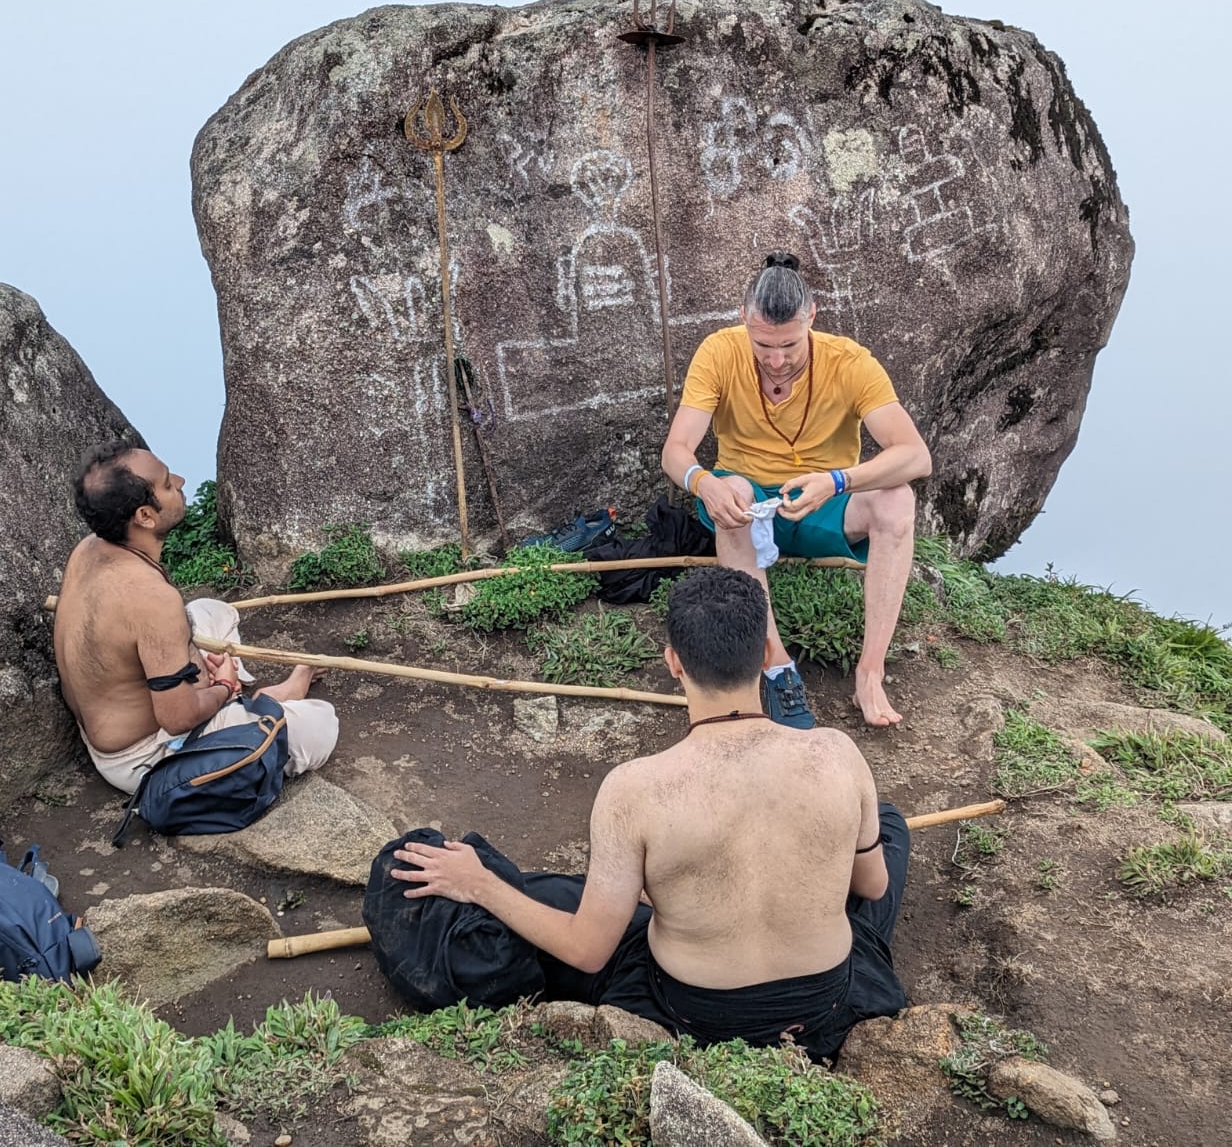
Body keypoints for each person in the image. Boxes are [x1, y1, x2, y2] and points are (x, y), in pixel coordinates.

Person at [391, 566, 909, 1061]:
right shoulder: (838, 754)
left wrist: (479, 883)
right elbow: (872, 887)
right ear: (769, 652)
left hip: (696, 1012)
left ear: (673, 662)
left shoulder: (633, 789)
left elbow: (588, 951)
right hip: (825, 1003)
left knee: (550, 897)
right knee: (888, 826)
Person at [661, 252, 931, 727]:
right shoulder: (719, 352)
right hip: (748, 502)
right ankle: (779, 669)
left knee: (898, 498)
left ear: (812, 317)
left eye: (789, 344)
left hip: (825, 500)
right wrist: (704, 483)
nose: (777, 360)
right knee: (734, 494)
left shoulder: (850, 362)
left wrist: (836, 481)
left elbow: (915, 455)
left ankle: (870, 674)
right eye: (763, 345)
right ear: (744, 318)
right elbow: (677, 449)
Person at [53, 442, 338, 794]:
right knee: (321, 724)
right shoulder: (151, 598)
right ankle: (257, 699)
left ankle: (238, 697)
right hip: (146, 754)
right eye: (167, 484)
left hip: (119, 714)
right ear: (145, 516)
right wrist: (222, 687)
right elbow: (178, 719)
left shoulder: (88, 549)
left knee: (213, 611)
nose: (181, 480)